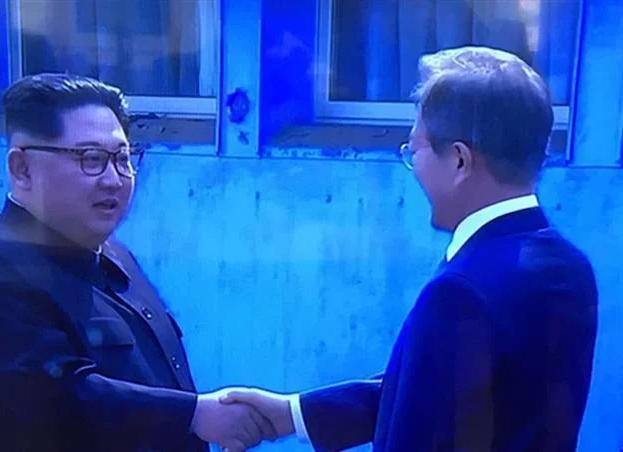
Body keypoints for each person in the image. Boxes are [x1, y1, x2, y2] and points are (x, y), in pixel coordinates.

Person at [220, 46, 599, 452]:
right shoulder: (568, 267)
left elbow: (424, 426)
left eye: (413, 150)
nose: (413, 166)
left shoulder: (461, 291)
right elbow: (441, 393)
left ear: (459, 161)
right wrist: (294, 413)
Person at [0, 73, 274, 452]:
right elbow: (57, 400)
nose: (114, 180)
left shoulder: (113, 253)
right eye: (91, 159)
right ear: (22, 169)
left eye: (123, 159)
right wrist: (195, 415)